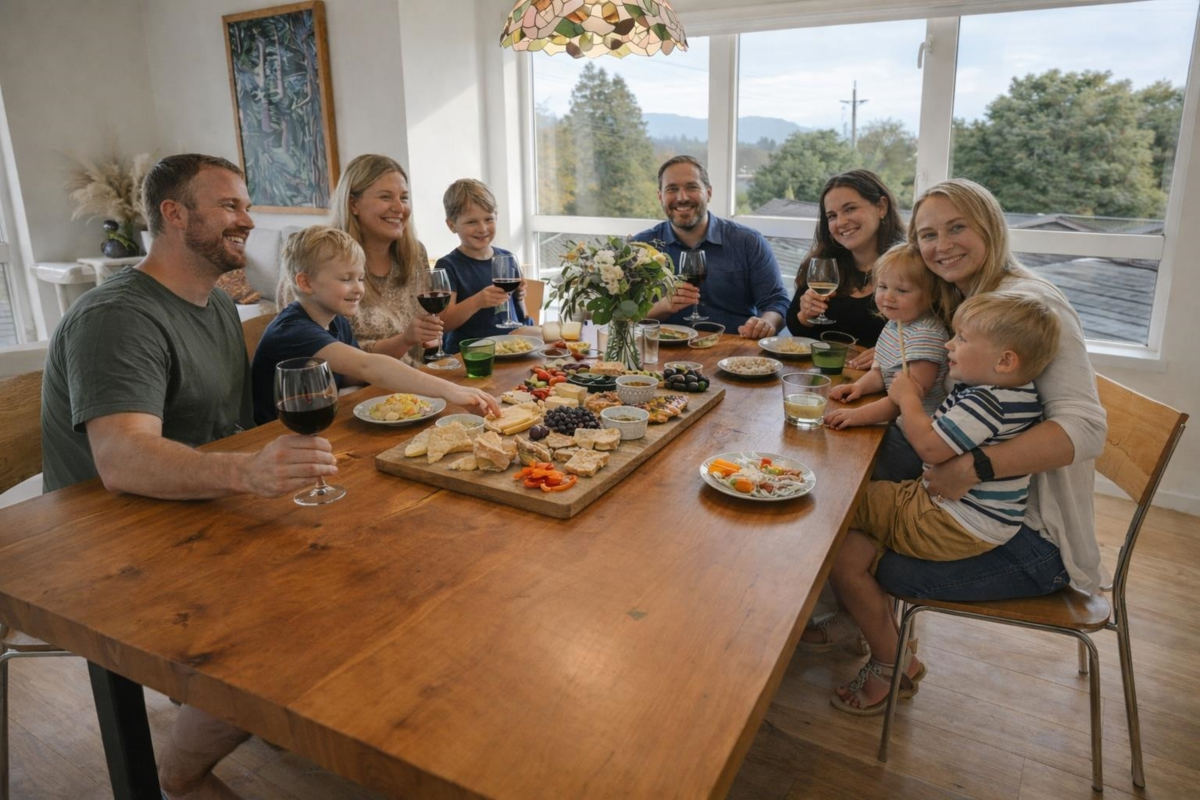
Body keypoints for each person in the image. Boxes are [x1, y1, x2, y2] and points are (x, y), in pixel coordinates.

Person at [40, 153, 339, 798]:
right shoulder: (117, 316)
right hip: (104, 546)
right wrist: (250, 474)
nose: (248, 219)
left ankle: (241, 707)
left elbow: (221, 433)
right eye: (229, 205)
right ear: (173, 215)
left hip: (189, 514)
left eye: (245, 204)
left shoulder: (210, 306)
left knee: (349, 567)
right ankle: (181, 771)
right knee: (299, 613)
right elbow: (121, 460)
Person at [801, 178, 1106, 715]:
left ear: (990, 224)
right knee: (845, 488)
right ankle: (857, 615)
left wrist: (973, 466)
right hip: (973, 509)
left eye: (957, 227)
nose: (941, 245)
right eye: (928, 234)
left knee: (837, 525)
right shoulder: (969, 299)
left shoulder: (1029, 308)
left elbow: (1086, 429)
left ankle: (887, 653)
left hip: (1030, 539)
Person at [827, 291, 1061, 713]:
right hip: (953, 512)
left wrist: (907, 398)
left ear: (1005, 360)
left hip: (947, 521)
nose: (950, 346)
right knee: (847, 546)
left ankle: (884, 660)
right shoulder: (1013, 394)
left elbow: (932, 449)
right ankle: (890, 653)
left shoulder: (987, 400)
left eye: (962, 339)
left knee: (834, 501)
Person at [252, 225, 500, 423]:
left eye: (360, 278)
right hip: (275, 438)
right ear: (306, 283)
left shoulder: (336, 320)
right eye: (346, 279)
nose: (358, 288)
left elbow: (349, 376)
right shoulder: (294, 331)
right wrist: (450, 390)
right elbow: (367, 366)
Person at [632, 155, 789, 339]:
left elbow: (776, 302)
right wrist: (663, 306)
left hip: (735, 355)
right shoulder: (641, 247)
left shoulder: (748, 242)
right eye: (672, 189)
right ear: (660, 196)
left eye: (692, 187)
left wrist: (766, 323)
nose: (682, 197)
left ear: (709, 193)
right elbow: (622, 314)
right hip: (661, 357)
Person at [326, 154, 442, 363]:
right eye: (386, 197)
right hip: (362, 389)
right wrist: (404, 340)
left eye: (404, 198)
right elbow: (332, 358)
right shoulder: (324, 261)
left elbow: (428, 338)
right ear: (353, 204)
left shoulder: (415, 253)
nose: (400, 208)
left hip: (419, 381)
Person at [824, 243, 949, 430]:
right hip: (897, 421)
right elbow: (881, 372)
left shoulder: (926, 335)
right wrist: (859, 387)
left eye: (902, 290)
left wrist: (858, 415)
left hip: (921, 430)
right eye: (882, 286)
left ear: (931, 295)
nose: (888, 297)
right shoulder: (895, 323)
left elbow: (908, 399)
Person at [787, 169, 905, 362]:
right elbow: (795, 329)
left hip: (883, 384)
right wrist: (805, 315)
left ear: (881, 207)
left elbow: (934, 332)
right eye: (832, 216)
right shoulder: (823, 264)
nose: (841, 222)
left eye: (850, 209)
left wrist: (893, 352)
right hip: (823, 378)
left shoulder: (910, 266)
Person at [435, 178, 535, 354]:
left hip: (510, 349)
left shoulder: (507, 258)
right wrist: (477, 301)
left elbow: (522, 316)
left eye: (488, 219)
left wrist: (519, 297)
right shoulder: (448, 266)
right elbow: (443, 322)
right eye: (471, 222)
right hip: (468, 355)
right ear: (452, 225)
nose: (482, 228)